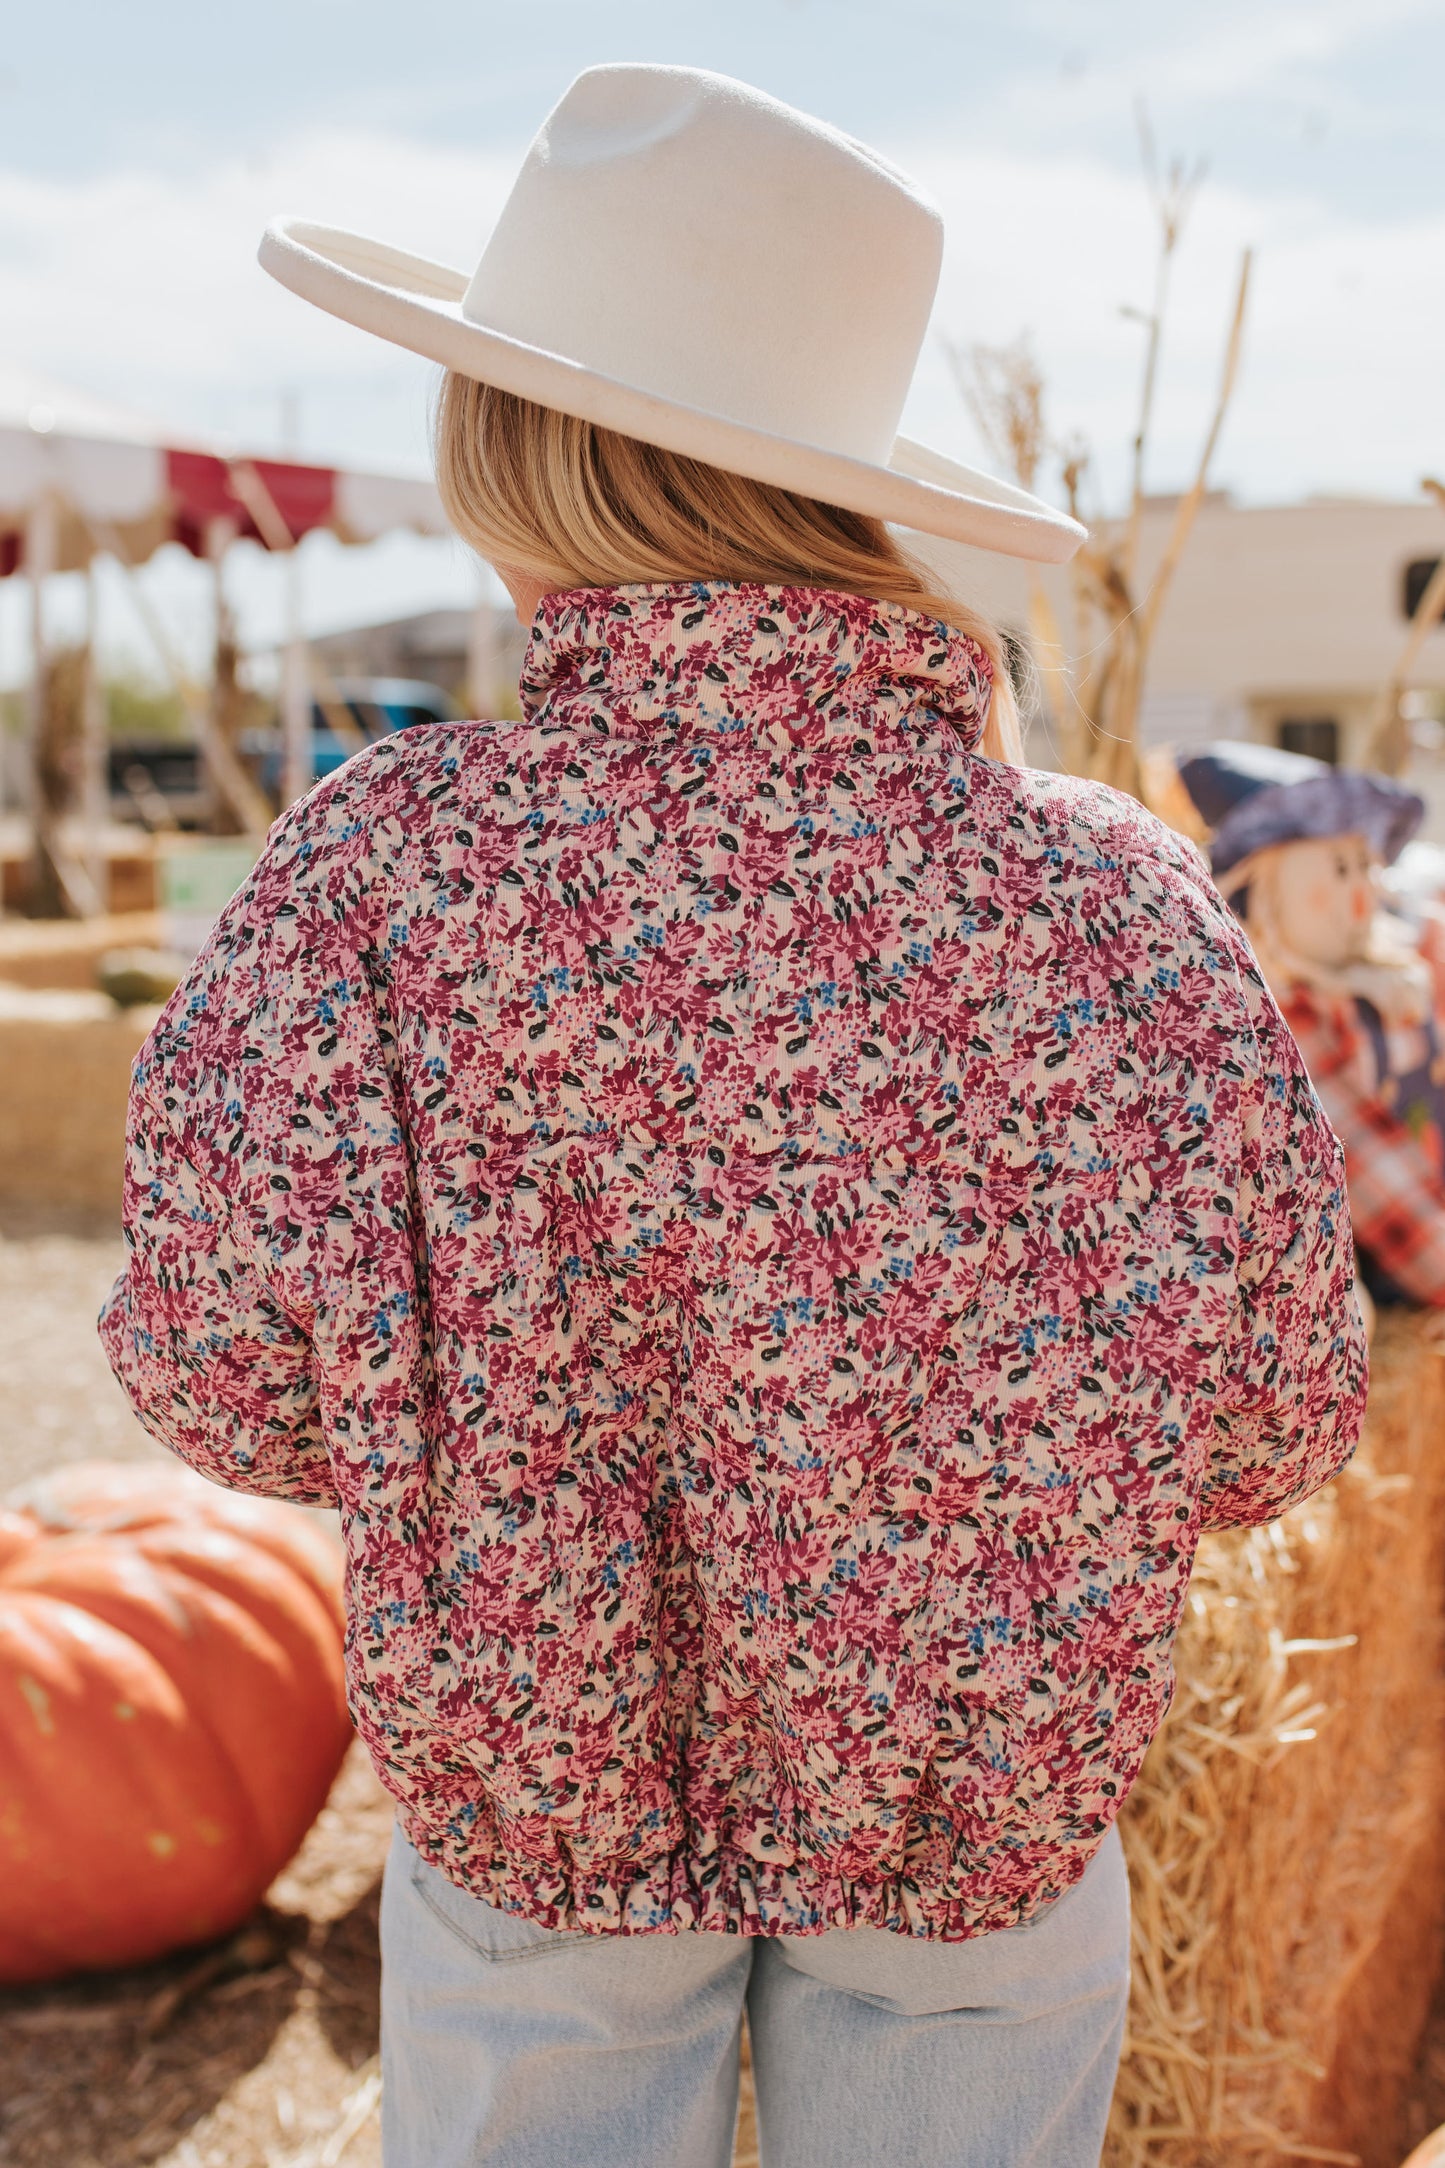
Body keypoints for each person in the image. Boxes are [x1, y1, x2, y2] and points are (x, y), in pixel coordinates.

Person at [100, 63, 1369, 2168]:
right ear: (847, 473)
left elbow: (219, 1372)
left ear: (512, 441)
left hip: (541, 1805)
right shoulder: (1116, 898)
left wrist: (491, 1444)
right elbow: (1275, 1418)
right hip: (985, 1832)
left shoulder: (385, 875)